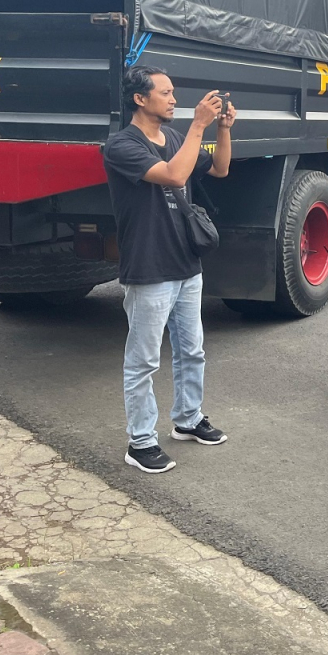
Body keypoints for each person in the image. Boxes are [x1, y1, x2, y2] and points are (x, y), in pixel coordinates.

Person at [104, 67, 235, 473]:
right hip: (149, 266)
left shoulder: (176, 137)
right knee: (143, 361)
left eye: (173, 92)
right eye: (165, 92)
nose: (174, 99)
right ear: (140, 99)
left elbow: (220, 169)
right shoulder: (122, 145)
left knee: (192, 350)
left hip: (186, 263)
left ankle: (188, 419)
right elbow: (174, 175)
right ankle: (141, 441)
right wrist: (198, 125)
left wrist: (222, 129)